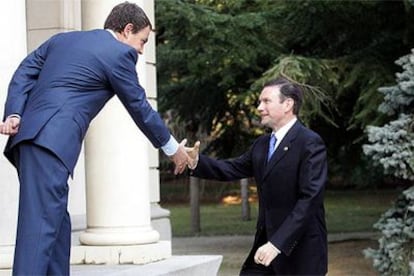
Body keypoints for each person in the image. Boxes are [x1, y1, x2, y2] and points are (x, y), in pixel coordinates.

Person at [0, 2, 190, 275]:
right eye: (142, 40)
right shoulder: (118, 53)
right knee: (40, 228)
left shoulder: (62, 40)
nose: (141, 50)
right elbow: (140, 107)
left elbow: (24, 72)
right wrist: (172, 149)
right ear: (127, 30)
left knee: (56, 224)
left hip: (33, 140)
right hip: (50, 142)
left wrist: (15, 113)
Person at [187, 77, 328, 275]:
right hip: (265, 248)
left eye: (266, 101)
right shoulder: (262, 144)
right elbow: (231, 168)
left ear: (288, 104)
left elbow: (310, 200)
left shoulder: (310, 143)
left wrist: (277, 244)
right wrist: (195, 162)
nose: (259, 107)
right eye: (259, 102)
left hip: (300, 252)